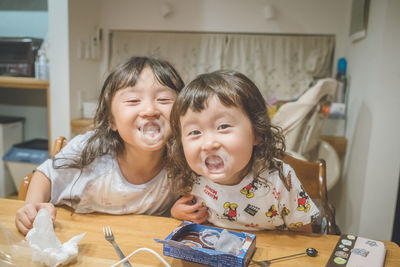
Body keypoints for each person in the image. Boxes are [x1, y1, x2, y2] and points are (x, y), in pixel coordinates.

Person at [15, 56, 185, 235]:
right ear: (112, 120)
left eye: (164, 99)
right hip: (73, 236)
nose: (150, 110)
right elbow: (45, 174)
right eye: (133, 100)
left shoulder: (183, 163)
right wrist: (32, 208)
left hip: (137, 243)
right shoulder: (91, 149)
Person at [167, 70, 319, 232]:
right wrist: (177, 212)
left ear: (257, 133)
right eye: (195, 132)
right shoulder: (191, 176)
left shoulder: (280, 180)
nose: (209, 144)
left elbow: (303, 238)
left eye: (223, 126)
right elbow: (189, 213)